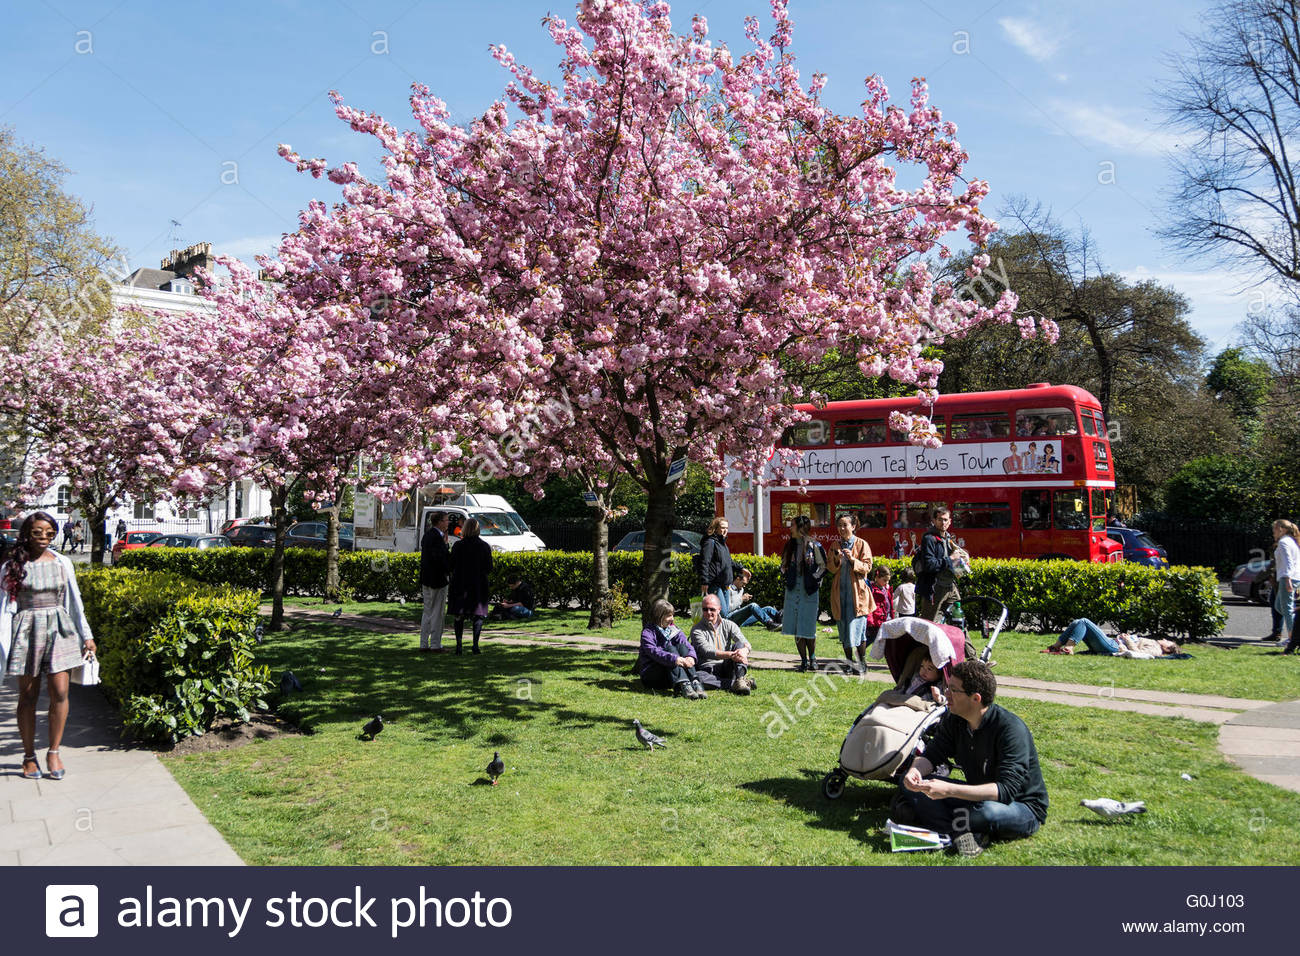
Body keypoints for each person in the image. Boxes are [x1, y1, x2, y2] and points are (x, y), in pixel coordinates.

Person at [899, 660, 1048, 855]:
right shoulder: (954, 719)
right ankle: (959, 831)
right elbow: (932, 755)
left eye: (953, 690)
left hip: (1020, 806)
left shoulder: (1010, 730)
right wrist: (915, 772)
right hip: (975, 797)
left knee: (986, 812)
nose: (946, 694)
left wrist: (948, 790)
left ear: (976, 698)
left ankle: (940, 822)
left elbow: (1006, 791)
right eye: (947, 687)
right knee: (908, 783)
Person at [0, 512, 96, 781]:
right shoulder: (12, 566)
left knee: (61, 692)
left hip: (59, 628)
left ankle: (53, 752)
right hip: (26, 630)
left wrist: (86, 635)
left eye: (49, 532)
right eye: (37, 532)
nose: (44, 537)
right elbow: (3, 606)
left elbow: (75, 601)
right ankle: (29, 756)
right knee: (28, 696)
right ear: (27, 534)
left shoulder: (62, 562)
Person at [828, 513, 874, 669]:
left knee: (859, 629)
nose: (841, 528)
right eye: (839, 525)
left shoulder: (862, 544)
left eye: (845, 525)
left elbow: (867, 567)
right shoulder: (835, 545)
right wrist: (838, 560)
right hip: (840, 593)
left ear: (853, 526)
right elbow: (830, 568)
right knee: (843, 629)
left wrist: (853, 560)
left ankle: (862, 662)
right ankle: (849, 663)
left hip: (857, 594)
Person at [781, 515, 827, 672]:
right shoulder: (790, 545)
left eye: (792, 525)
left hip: (809, 591)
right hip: (793, 590)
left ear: (801, 527)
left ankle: (813, 658)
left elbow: (823, 566)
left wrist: (814, 578)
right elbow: (783, 564)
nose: (790, 528)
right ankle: (803, 661)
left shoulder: (814, 545)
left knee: (808, 627)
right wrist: (787, 574)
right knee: (796, 627)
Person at [637, 598, 706, 699]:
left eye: (672, 615)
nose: (672, 619)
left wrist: (691, 657)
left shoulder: (674, 630)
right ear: (659, 616)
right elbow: (654, 652)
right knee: (670, 649)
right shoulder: (648, 632)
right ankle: (684, 684)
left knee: (682, 647)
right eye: (669, 616)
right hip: (652, 675)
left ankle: (694, 681)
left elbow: (687, 645)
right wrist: (675, 659)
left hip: (671, 674)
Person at [689, 594, 755, 695]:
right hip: (708, 670)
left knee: (740, 645)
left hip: (727, 666)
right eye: (705, 609)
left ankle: (740, 678)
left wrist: (744, 651)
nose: (708, 612)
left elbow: (745, 642)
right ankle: (739, 684)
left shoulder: (729, 625)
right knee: (697, 677)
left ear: (719, 609)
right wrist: (732, 655)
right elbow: (707, 651)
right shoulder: (696, 629)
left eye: (712, 609)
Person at [448, 517, 493, 655]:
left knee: (459, 615)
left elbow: (451, 565)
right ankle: (475, 645)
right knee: (478, 616)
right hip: (478, 584)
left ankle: (459, 646)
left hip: (460, 584)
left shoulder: (458, 545)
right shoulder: (484, 546)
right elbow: (489, 568)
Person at [1042, 619, 1177, 656]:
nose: (1165, 639)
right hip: (1113, 642)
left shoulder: (1156, 650)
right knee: (1077, 622)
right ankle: (1055, 647)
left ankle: (1068, 648)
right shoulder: (1154, 643)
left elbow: (1138, 653)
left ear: (1167, 649)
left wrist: (1127, 639)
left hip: (1114, 647)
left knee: (1084, 622)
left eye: (1168, 642)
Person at [917, 507, 959, 622]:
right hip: (935, 587)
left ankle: (962, 635)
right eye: (940, 519)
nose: (943, 522)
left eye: (945, 520)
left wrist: (961, 562)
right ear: (934, 521)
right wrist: (951, 559)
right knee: (929, 624)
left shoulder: (948, 538)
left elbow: (951, 561)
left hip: (950, 586)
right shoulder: (929, 539)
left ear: (950, 521)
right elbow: (929, 565)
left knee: (958, 619)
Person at [418, 511, 451, 652]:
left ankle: (424, 643)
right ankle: (435, 644)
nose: (448, 523)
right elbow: (440, 559)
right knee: (437, 613)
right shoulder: (437, 538)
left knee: (427, 612)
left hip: (427, 579)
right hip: (437, 580)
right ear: (439, 522)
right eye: (446, 520)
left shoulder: (428, 535)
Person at [699, 517, 743, 618]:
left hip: (725, 585)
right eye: (722, 528)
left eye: (727, 528)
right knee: (723, 613)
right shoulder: (710, 542)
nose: (725, 530)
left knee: (725, 614)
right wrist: (704, 581)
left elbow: (729, 562)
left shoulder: (723, 544)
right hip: (715, 584)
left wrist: (741, 568)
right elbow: (704, 562)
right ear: (716, 528)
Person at [1272, 519, 1300, 655]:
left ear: (1281, 529)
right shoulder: (1291, 541)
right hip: (1292, 577)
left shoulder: (1284, 542)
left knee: (1287, 608)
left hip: (1287, 578)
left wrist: (1287, 578)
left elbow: (1288, 561)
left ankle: (1292, 638)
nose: (1273, 532)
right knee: (1279, 606)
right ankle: (1295, 632)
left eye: (1274, 529)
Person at [861, 565, 894, 669]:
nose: (886, 583)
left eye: (888, 581)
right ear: (877, 577)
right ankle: (859, 654)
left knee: (886, 641)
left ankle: (891, 661)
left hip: (884, 619)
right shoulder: (872, 589)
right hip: (875, 621)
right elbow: (869, 605)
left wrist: (892, 616)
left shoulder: (885, 589)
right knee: (870, 639)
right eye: (884, 580)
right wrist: (870, 620)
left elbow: (890, 604)